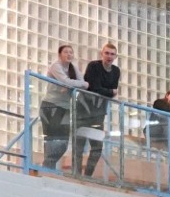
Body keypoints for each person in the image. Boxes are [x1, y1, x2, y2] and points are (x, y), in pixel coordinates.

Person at [75, 41, 120, 177]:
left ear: (115, 56)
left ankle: (88, 175)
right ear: (102, 53)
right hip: (83, 110)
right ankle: (76, 173)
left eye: (112, 54)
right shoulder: (94, 66)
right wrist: (110, 91)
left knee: (97, 147)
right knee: (79, 144)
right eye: (107, 53)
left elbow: (111, 91)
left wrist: (108, 92)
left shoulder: (116, 71)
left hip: (98, 113)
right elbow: (93, 87)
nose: (109, 56)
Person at [39, 43, 87, 170]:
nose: (69, 54)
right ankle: (47, 167)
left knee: (64, 142)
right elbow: (68, 81)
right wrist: (77, 84)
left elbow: (81, 82)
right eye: (66, 52)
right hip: (51, 106)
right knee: (53, 139)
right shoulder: (56, 66)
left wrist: (73, 84)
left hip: (65, 108)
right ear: (60, 54)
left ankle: (47, 166)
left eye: (71, 52)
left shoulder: (73, 68)